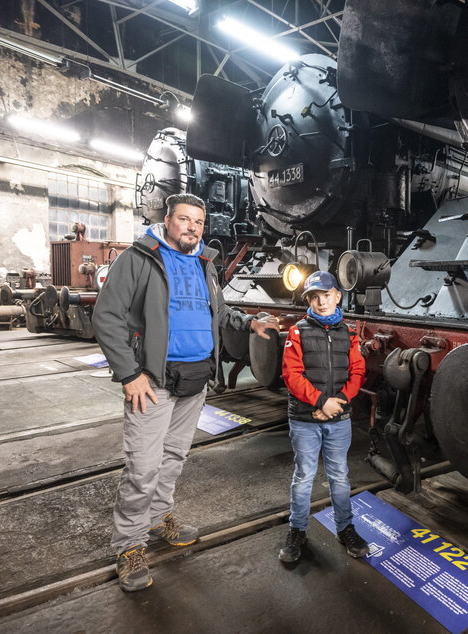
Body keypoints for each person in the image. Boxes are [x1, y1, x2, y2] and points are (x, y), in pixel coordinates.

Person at [94, 193, 279, 592]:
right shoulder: (140, 259)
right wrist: (130, 375)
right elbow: (106, 316)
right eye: (184, 219)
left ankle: (160, 519)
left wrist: (249, 325)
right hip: (152, 382)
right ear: (167, 220)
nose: (192, 227)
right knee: (143, 467)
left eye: (198, 221)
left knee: (174, 457)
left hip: (195, 381)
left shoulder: (204, 263)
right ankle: (129, 545)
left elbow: (218, 311)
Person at [278, 270, 368, 563]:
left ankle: (345, 528)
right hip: (305, 419)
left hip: (338, 418)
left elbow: (357, 371)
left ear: (337, 296)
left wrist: (338, 402)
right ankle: (298, 530)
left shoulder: (349, 332)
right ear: (309, 300)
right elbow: (291, 374)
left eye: (326, 295)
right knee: (304, 476)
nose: (320, 302)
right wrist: (319, 401)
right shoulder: (298, 331)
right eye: (314, 297)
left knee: (339, 475)